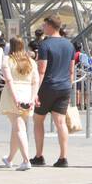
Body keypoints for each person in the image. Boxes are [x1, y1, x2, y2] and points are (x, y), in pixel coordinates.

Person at [31, 16, 73, 168]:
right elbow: (71, 69)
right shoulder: (69, 45)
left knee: (38, 120)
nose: (42, 26)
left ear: (50, 26)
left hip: (47, 87)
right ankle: (63, 157)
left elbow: (41, 70)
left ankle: (39, 155)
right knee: (60, 123)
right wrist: (70, 85)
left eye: (44, 24)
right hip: (64, 86)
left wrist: (35, 91)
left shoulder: (45, 44)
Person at [0, 37, 39, 170]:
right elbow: (35, 81)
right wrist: (33, 98)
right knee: (17, 127)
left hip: (13, 94)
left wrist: (15, 98)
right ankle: (10, 158)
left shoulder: (7, 60)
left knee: (19, 128)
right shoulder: (31, 62)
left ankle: (26, 159)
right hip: (27, 94)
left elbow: (8, 80)